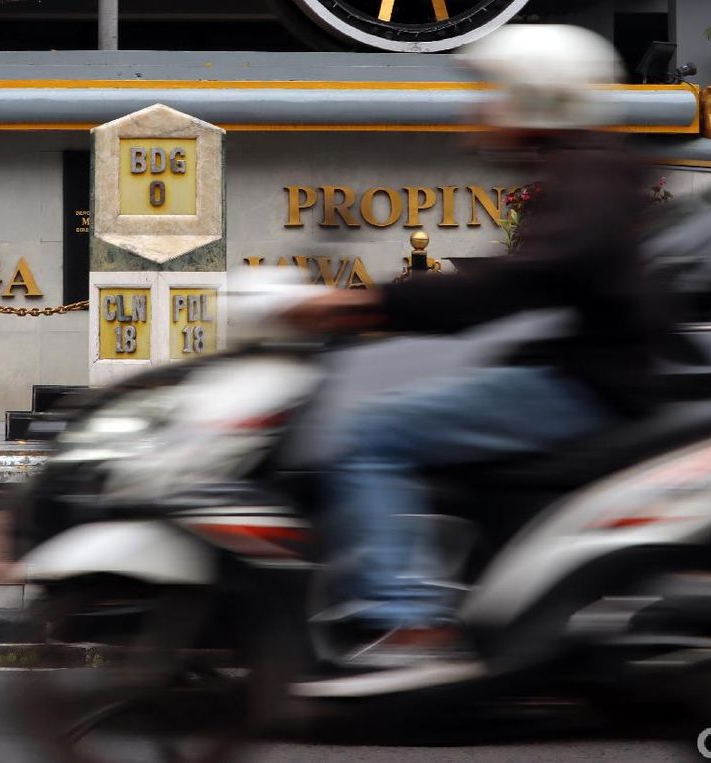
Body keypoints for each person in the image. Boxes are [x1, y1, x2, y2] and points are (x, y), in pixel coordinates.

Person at [282, 25, 670, 651]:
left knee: (368, 434)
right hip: (581, 372)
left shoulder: (588, 178)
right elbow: (520, 278)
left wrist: (370, 302)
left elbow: (522, 280)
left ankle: (404, 615)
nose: (479, 108)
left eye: (491, 92)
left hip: (585, 385)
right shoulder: (586, 171)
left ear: (532, 98)